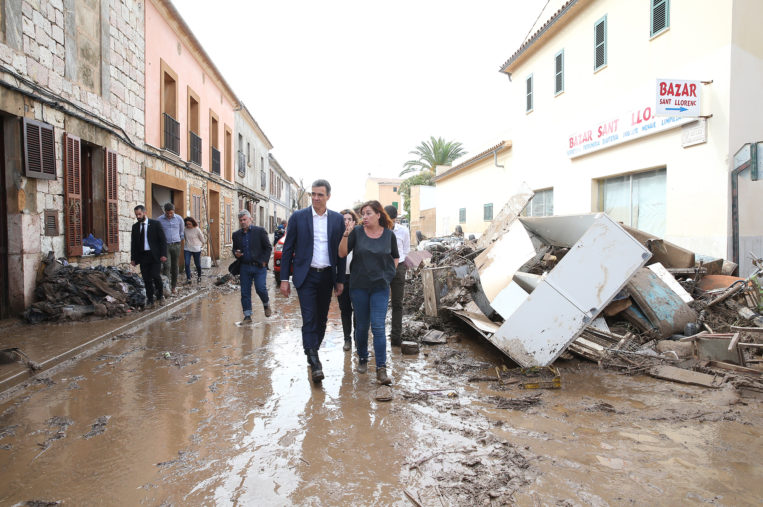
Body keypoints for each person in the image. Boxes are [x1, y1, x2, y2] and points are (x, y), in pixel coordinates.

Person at [280, 179, 346, 384]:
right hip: (305, 275)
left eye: (320, 195)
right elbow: (288, 248)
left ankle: (312, 350)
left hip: (327, 275)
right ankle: (315, 360)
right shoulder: (299, 217)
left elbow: (340, 253)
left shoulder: (336, 219)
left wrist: (340, 280)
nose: (316, 198)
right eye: (313, 194)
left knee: (322, 318)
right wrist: (284, 278)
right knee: (309, 316)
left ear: (328, 196)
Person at [339, 200, 399, 385]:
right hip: (359, 287)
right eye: (363, 213)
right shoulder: (356, 232)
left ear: (378, 215)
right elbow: (341, 254)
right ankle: (363, 357)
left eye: (368, 213)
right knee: (363, 325)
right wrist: (344, 235)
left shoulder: (389, 235)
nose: (364, 217)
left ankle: (381, 368)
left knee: (379, 326)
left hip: (380, 287)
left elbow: (395, 257)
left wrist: (388, 276)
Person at [232, 209, 272, 323]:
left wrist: (265, 261)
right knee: (245, 292)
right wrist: (236, 253)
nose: (243, 222)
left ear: (250, 219)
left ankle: (266, 304)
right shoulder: (236, 235)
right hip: (244, 266)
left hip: (259, 266)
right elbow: (234, 249)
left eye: (245, 219)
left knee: (260, 288)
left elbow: (268, 247)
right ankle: (247, 316)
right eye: (241, 220)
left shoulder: (260, 231)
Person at [130, 205, 168, 309]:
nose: (138, 216)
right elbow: (134, 244)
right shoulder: (135, 227)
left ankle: (160, 296)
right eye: (136, 214)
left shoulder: (155, 224)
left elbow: (163, 241)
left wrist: (163, 254)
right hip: (143, 256)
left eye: (139, 214)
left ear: (144, 213)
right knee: (146, 279)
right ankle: (150, 299)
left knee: (155, 275)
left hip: (155, 255)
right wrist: (133, 258)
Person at [384, 205, 410, 346]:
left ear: (395, 219)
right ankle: (377, 335)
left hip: (398, 268)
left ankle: (395, 337)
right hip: (382, 268)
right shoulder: (380, 231)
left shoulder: (404, 231)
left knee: (397, 303)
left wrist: (398, 264)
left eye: (390, 220)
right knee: (380, 302)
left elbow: (406, 249)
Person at [337, 209, 359, 352]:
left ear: (354, 221)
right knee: (345, 310)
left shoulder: (359, 236)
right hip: (342, 278)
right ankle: (347, 338)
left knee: (358, 310)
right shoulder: (336, 236)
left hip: (357, 278)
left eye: (349, 219)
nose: (346, 222)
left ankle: (358, 338)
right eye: (344, 219)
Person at [157, 202, 184, 294]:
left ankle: (174, 286)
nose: (169, 215)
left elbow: (181, 231)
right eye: (167, 213)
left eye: (171, 213)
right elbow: (158, 232)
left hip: (176, 245)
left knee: (175, 266)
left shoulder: (179, 219)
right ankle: (166, 287)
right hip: (165, 245)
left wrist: (180, 239)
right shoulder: (160, 219)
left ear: (174, 211)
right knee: (166, 266)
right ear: (165, 211)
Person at [183, 216, 205, 285]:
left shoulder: (197, 229)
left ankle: (199, 276)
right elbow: (183, 237)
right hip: (187, 248)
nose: (188, 225)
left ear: (193, 223)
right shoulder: (185, 229)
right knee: (186, 264)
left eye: (189, 224)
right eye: (187, 224)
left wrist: (200, 245)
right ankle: (188, 278)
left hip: (196, 249)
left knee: (197, 264)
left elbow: (202, 239)